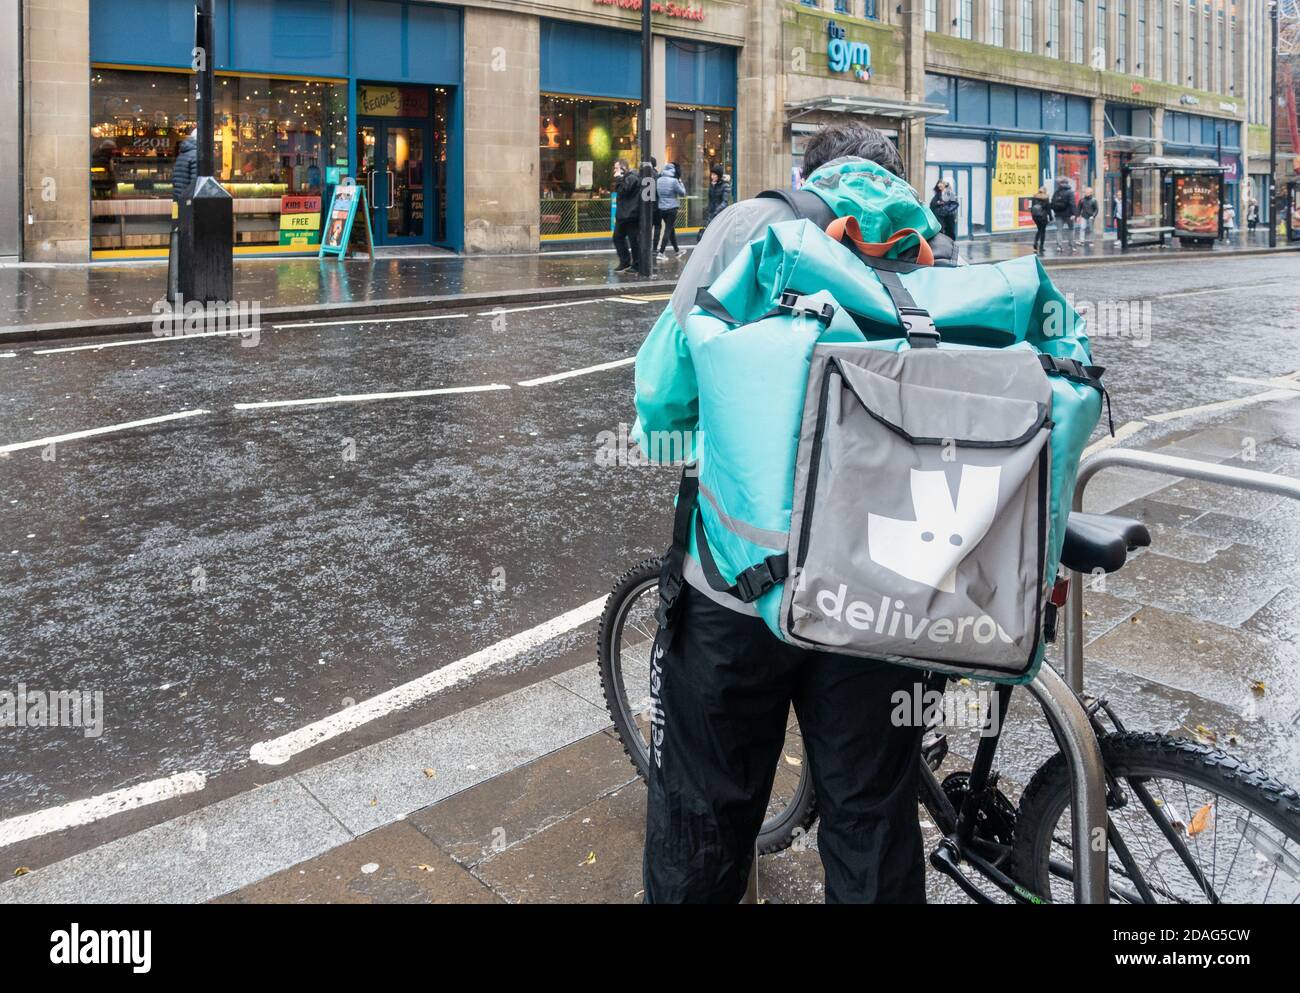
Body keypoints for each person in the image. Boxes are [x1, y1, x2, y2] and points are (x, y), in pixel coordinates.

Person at [640, 121, 960, 905]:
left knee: (704, 815)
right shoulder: (931, 246)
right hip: (878, 594)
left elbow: (661, 390)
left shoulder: (751, 223)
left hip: (737, 586)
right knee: (873, 821)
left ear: (809, 172)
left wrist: (703, 431)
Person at [611, 159, 642, 273]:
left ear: (623, 168)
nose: (614, 170)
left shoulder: (632, 177)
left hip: (631, 215)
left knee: (634, 241)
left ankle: (637, 264)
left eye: (616, 168)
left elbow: (625, 190)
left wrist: (619, 178)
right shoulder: (624, 178)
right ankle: (625, 262)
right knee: (617, 237)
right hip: (623, 215)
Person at [654, 163, 687, 258]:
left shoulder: (659, 180)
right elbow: (683, 193)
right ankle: (661, 252)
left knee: (670, 229)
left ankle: (677, 251)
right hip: (672, 209)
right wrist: (681, 182)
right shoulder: (674, 181)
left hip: (661, 208)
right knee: (668, 230)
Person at [1050, 176, 1076, 253]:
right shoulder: (1070, 192)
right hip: (1069, 215)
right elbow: (1072, 204)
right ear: (1067, 183)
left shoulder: (1056, 192)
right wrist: (1074, 214)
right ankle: (1071, 245)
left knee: (1059, 230)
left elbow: (1052, 202)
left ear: (1060, 183)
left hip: (1058, 214)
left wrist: (1055, 211)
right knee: (1071, 229)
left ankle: (1059, 246)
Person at [172, 129, 198, 202]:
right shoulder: (196, 155)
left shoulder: (182, 153)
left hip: (178, 196)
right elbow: (195, 183)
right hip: (188, 200)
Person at [704, 163, 729, 228]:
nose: (712, 176)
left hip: (720, 214)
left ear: (719, 176)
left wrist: (716, 211)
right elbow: (711, 200)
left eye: (714, 175)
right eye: (712, 174)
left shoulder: (725, 186)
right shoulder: (712, 185)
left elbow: (725, 202)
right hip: (711, 214)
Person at [1030, 185, 1051, 254]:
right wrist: (1050, 217)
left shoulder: (1034, 197)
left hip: (1035, 216)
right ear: (1045, 191)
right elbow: (1048, 208)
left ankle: (1035, 243)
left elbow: (1032, 207)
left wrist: (1032, 215)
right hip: (1043, 217)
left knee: (1039, 230)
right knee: (1043, 231)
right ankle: (1041, 246)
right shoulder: (1046, 197)